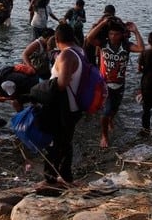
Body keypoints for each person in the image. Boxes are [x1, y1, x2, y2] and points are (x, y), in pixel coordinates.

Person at [37, 23, 85, 187]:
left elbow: (62, 83)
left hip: (63, 108)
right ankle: (66, 178)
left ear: (56, 39)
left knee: (53, 144)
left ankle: (50, 180)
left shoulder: (65, 55)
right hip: (76, 107)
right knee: (65, 142)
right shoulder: (80, 52)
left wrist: (40, 89)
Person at [86, 18, 144, 148]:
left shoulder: (126, 46)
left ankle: (111, 120)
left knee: (115, 108)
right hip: (105, 84)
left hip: (120, 84)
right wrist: (102, 23)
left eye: (116, 34)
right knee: (106, 112)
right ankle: (104, 136)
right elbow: (89, 38)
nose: (113, 36)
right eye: (111, 34)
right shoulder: (103, 44)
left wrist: (135, 31)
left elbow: (141, 48)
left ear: (122, 34)